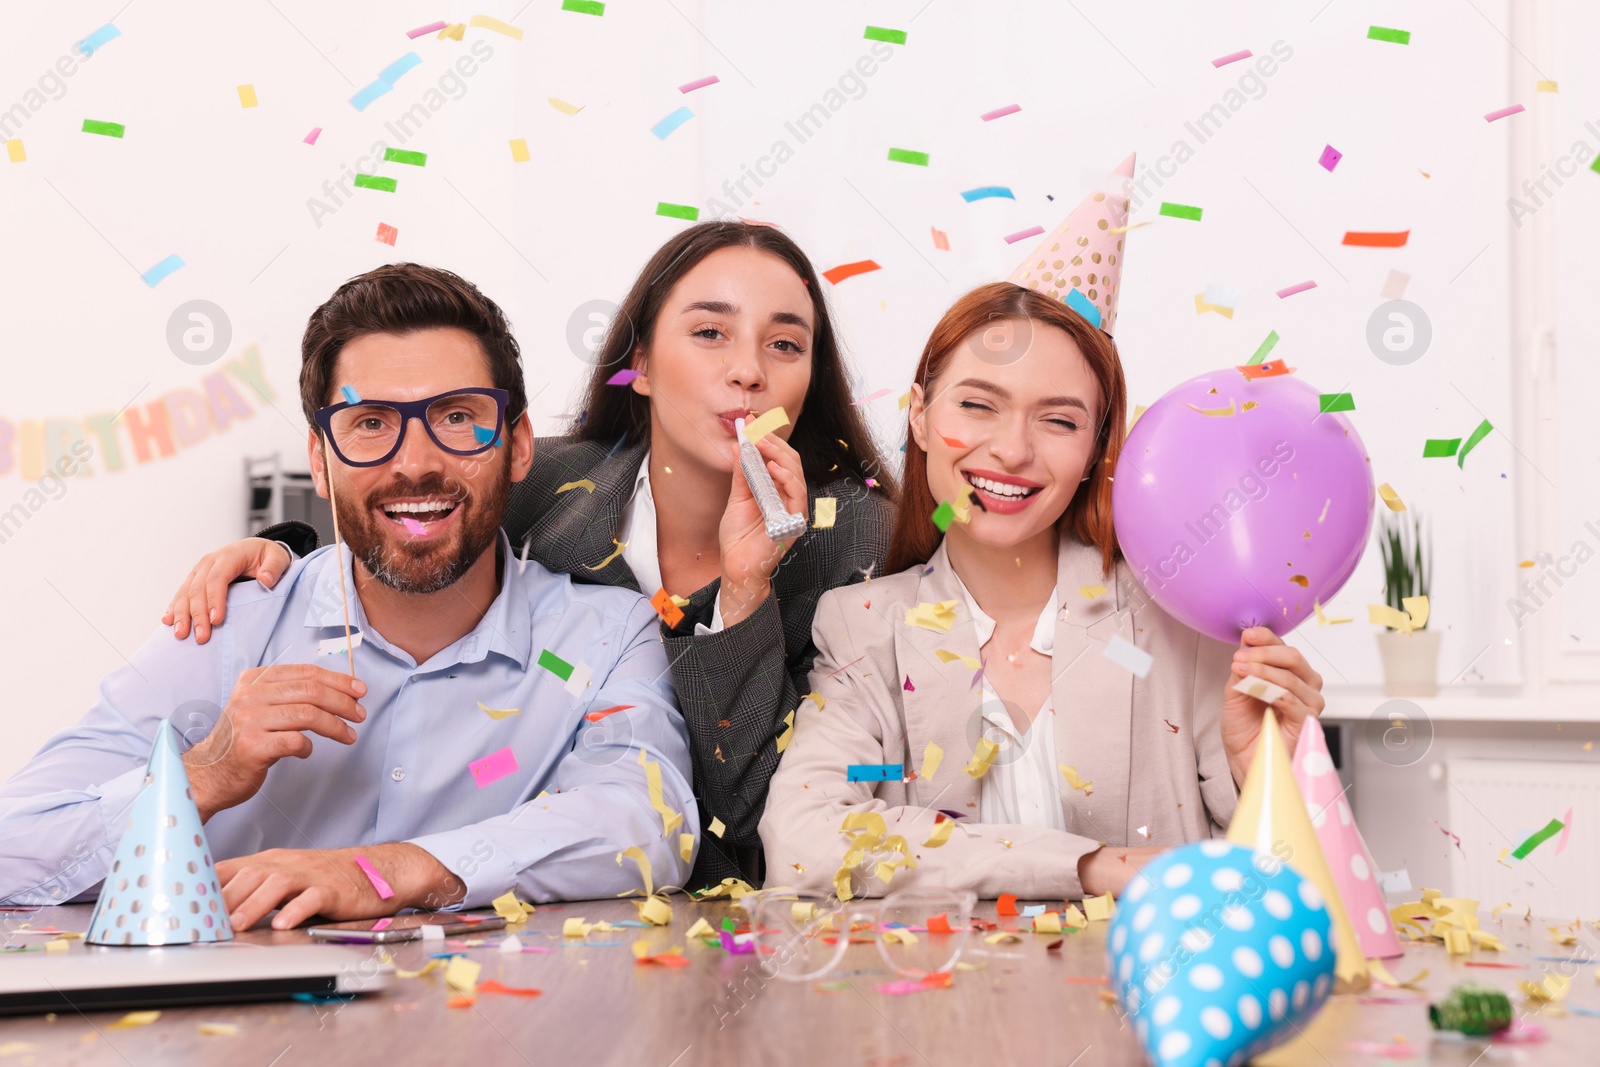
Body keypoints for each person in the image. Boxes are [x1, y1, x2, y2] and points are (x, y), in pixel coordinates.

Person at [157, 222, 897, 891]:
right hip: (572, 910)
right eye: (710, 333)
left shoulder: (863, 543)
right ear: (637, 364)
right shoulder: (550, 478)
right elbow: (413, 515)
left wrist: (745, 591)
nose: (748, 372)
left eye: (785, 344)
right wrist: (280, 553)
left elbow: (763, 821)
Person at [0, 265, 696, 929]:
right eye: (370, 424)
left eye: (456, 417)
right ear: (320, 459)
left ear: (516, 446)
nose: (415, 462)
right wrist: (203, 774)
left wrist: (389, 871)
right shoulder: (229, 624)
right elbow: (12, 849)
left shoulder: (602, 637)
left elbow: (648, 819)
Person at [760, 175, 1325, 900]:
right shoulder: (864, 626)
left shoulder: (1177, 620)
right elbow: (804, 846)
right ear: (921, 415)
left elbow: (1293, 886)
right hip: (939, 1013)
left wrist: (1272, 768)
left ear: (1095, 448)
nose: (1012, 452)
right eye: (979, 405)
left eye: (1058, 420)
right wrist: (1093, 866)